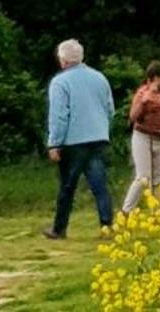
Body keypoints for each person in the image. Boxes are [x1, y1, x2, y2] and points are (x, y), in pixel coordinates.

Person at [43, 38, 115, 239]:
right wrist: (102, 128)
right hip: (98, 137)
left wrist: (54, 143)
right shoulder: (100, 78)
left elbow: (59, 115)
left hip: (73, 141)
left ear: (63, 60)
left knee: (67, 187)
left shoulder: (60, 82)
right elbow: (110, 109)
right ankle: (107, 225)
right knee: (100, 185)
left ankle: (59, 228)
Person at [120, 61, 160, 214]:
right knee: (143, 177)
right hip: (143, 137)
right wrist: (144, 102)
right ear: (155, 77)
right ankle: (126, 211)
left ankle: (157, 213)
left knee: (159, 178)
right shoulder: (142, 93)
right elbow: (133, 117)